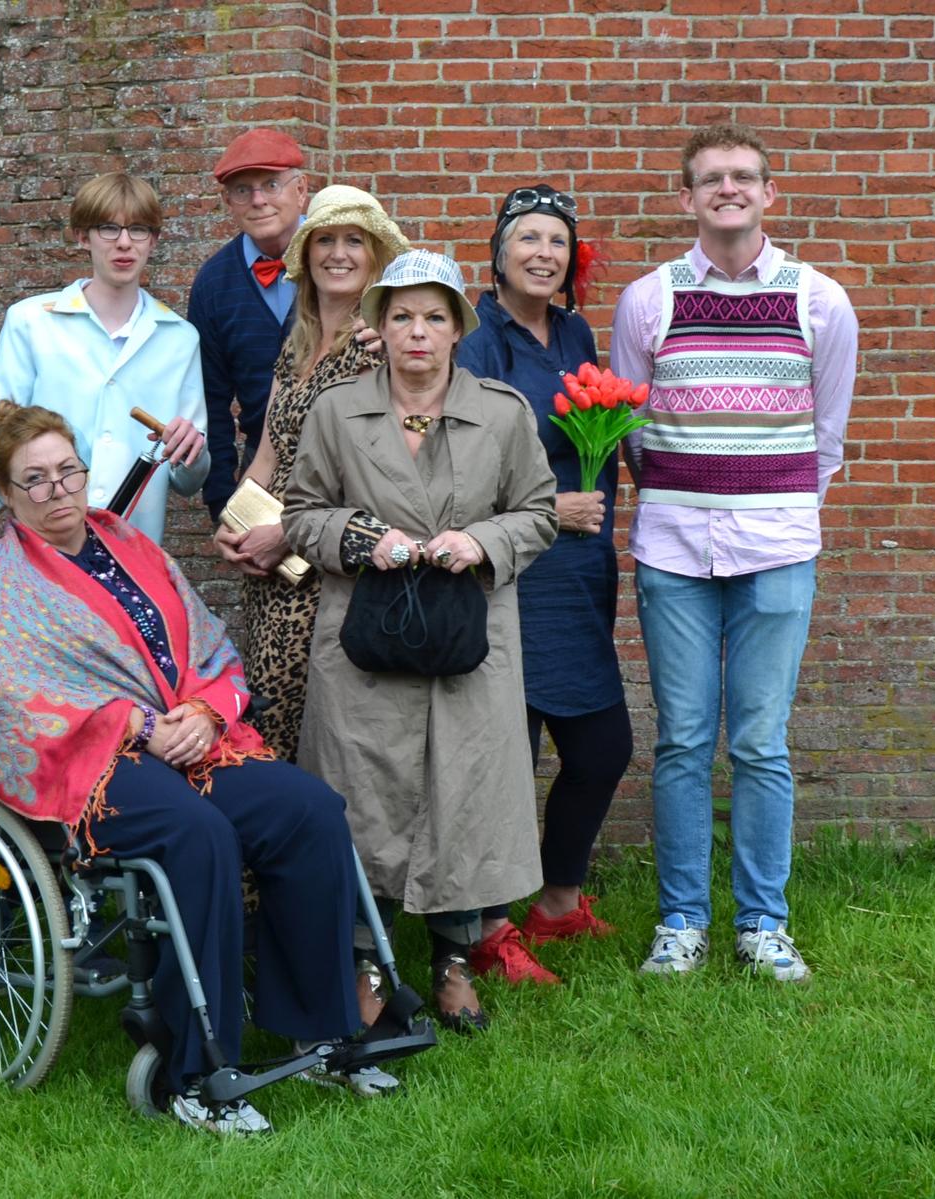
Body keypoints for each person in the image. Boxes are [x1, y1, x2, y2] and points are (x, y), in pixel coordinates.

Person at [0, 401, 389, 1135]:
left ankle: (321, 1032)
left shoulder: (127, 543)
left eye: (68, 471)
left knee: (308, 811)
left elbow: (206, 643)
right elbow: (12, 694)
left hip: (189, 735)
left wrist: (208, 713)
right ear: (8, 494)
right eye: (36, 480)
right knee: (198, 833)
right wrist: (139, 725)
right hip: (87, 762)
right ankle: (198, 1073)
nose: (58, 491)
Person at [283, 250, 558, 1033]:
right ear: (379, 323)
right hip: (364, 642)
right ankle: (365, 961)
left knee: (460, 798)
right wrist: (360, 536)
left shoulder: (502, 412)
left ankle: (454, 960)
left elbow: (539, 512)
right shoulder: (337, 410)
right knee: (360, 801)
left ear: (457, 329)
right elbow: (300, 513)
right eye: (402, 315)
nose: (417, 332)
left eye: (435, 317)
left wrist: (481, 541)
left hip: (468, 639)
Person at [609, 122, 859, 983]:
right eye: (711, 178)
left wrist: (777, 507)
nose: (729, 189)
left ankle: (763, 923)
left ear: (768, 194)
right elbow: (630, 427)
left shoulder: (819, 300)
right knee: (682, 739)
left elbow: (827, 437)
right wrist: (686, 494)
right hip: (673, 550)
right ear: (686, 197)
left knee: (759, 742)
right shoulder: (649, 300)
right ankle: (682, 921)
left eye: (744, 177)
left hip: (779, 549)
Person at [455, 185, 635, 987]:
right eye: (527, 238)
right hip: (510, 571)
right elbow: (456, 462)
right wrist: (544, 508)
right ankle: (486, 927)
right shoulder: (475, 339)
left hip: (577, 574)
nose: (543, 252)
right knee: (506, 758)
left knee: (602, 747)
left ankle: (558, 900)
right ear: (498, 253)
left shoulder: (574, 332)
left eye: (557, 241)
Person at [213, 184, 409, 760]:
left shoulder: (376, 349)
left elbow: (375, 480)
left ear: (374, 257)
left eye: (354, 241)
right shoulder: (296, 346)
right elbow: (267, 453)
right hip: (270, 567)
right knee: (266, 712)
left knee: (304, 729)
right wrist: (232, 523)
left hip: (324, 572)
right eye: (325, 240)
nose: (338, 254)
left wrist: (286, 533)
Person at [0, 172, 207, 544]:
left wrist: (192, 453)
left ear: (153, 241)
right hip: (39, 543)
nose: (124, 243)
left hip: (130, 546)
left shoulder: (180, 339)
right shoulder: (30, 322)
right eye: (108, 228)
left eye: (138, 229)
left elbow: (188, 481)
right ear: (83, 236)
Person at [188, 127, 310, 522]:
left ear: (301, 190)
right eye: (243, 190)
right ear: (228, 202)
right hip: (263, 465)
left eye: (271, 185)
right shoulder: (214, 284)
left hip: (351, 460)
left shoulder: (342, 258)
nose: (258, 201)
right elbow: (211, 400)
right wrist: (222, 502)